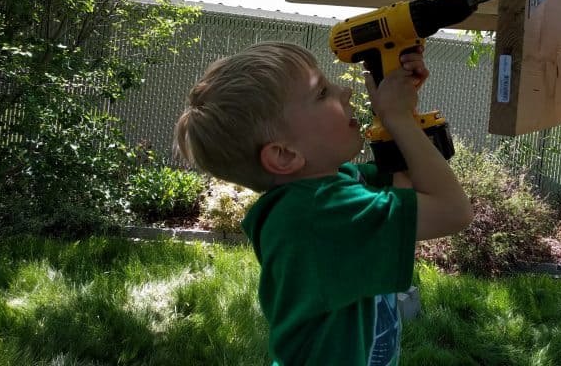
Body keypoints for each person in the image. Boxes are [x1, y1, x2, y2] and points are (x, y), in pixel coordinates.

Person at [174, 41, 473, 365]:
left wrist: (395, 113)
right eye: (321, 93)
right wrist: (397, 117)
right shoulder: (319, 212)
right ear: (285, 155)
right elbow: (452, 211)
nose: (344, 90)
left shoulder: (333, 185)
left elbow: (407, 180)